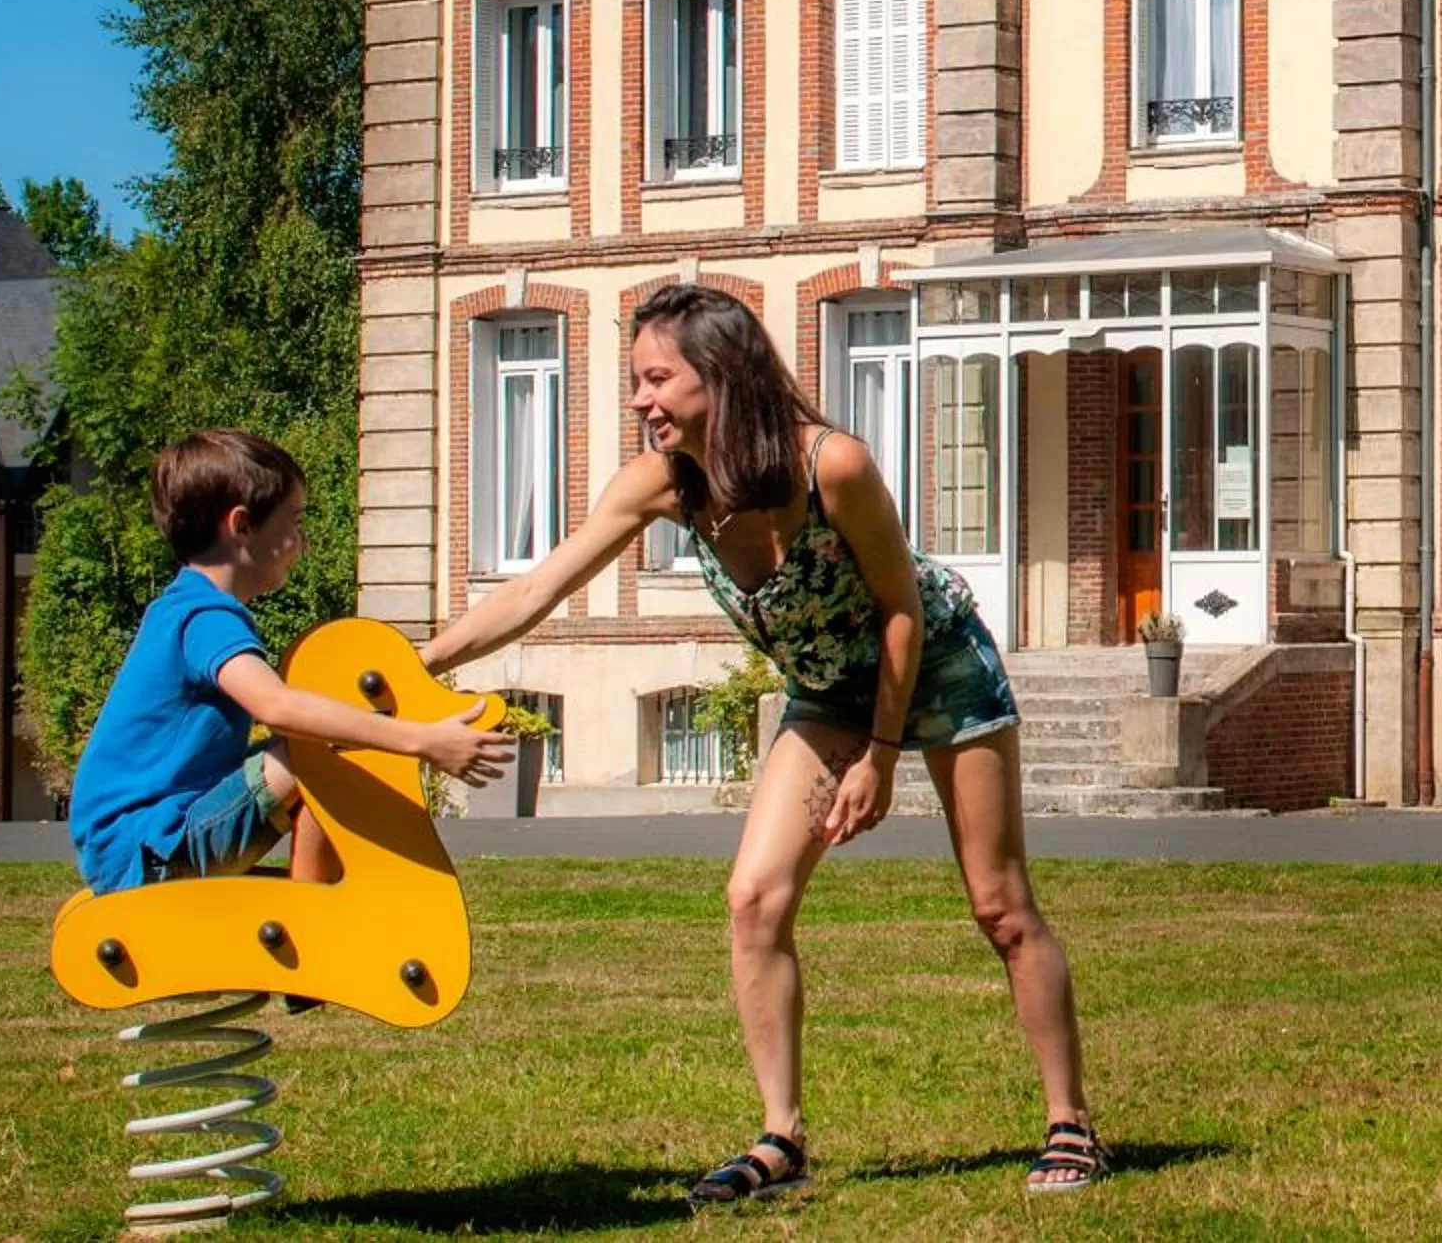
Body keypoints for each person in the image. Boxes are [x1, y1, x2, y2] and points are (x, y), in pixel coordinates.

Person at [419, 284, 1105, 1200]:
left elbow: (901, 611)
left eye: (657, 378)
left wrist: (882, 758)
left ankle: (1072, 1123)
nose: (639, 400)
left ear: (722, 376)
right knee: (752, 899)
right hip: (824, 690)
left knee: (1000, 905)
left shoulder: (834, 466)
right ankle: (781, 1140)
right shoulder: (663, 484)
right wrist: (415, 663)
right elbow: (534, 590)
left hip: (934, 667)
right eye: (636, 381)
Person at [69, 430, 513, 901]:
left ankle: (317, 898)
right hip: (154, 845)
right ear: (241, 525)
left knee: (325, 736)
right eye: (293, 522)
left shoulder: (184, 605)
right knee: (320, 745)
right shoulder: (204, 616)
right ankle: (313, 909)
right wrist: (422, 741)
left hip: (140, 842)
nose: (302, 541)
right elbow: (275, 706)